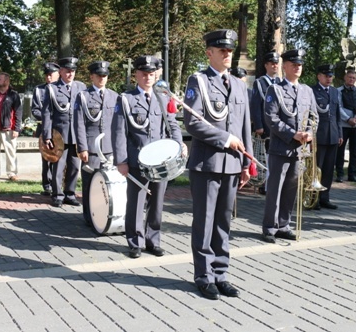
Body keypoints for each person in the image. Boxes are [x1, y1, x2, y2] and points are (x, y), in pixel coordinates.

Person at [183, 29, 253, 300]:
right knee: (205, 221)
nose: (227, 54)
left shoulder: (238, 84)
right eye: (221, 50)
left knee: (224, 221)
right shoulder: (197, 81)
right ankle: (204, 276)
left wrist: (247, 164)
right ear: (209, 53)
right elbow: (193, 121)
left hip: (233, 165)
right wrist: (225, 139)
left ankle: (221, 273)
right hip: (207, 164)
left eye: (230, 50)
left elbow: (245, 125)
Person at [112, 55, 183, 259]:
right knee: (136, 202)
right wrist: (122, 161)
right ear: (136, 75)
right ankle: (135, 242)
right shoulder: (125, 99)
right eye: (144, 74)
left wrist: (179, 145)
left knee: (157, 202)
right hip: (137, 161)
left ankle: (154, 240)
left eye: (151, 74)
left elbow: (172, 124)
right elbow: (119, 132)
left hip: (161, 161)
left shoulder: (162, 97)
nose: (148, 77)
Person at [261, 48, 317, 243]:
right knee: (275, 188)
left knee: (291, 189)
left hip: (300, 150)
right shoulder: (275, 90)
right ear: (284, 66)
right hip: (280, 148)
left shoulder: (307, 91)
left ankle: (284, 225)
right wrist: (293, 134)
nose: (298, 67)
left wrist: (310, 133)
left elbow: (314, 117)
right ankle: (270, 226)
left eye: (300, 65)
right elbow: (271, 118)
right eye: (294, 64)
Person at [74, 61, 119, 226]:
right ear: (92, 76)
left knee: (107, 185)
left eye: (104, 75)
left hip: (109, 148)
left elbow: (118, 125)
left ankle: (103, 215)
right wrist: (82, 147)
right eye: (99, 75)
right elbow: (78, 124)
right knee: (89, 184)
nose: (102, 78)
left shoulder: (115, 96)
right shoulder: (83, 97)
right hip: (91, 148)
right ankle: (88, 216)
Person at [42, 57, 86, 207]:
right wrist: (47, 135)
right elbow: (47, 113)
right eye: (67, 71)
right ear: (60, 72)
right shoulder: (52, 88)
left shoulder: (81, 87)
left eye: (72, 71)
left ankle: (70, 193)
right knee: (58, 166)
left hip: (76, 134)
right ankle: (57, 194)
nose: (70, 74)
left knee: (74, 166)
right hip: (59, 134)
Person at [310, 63, 342, 210]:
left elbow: (337, 114)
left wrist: (339, 133)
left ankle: (325, 197)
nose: (329, 78)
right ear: (319, 76)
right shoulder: (312, 91)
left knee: (329, 169)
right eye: (326, 76)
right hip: (319, 135)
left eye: (331, 76)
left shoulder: (335, 92)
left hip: (333, 135)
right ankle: (313, 198)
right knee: (317, 168)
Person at [250, 51, 280, 195]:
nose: (275, 66)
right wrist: (259, 125)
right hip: (266, 127)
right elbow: (255, 105)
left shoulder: (280, 83)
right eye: (272, 63)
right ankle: (265, 184)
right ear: (266, 65)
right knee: (266, 156)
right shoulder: (260, 82)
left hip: (279, 127)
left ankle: (274, 184)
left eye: (276, 63)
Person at [0, 72, 23, 182]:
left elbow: (18, 112)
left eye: (0, 79)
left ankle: (12, 173)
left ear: (6, 81)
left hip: (8, 129)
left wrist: (16, 128)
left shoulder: (13, 95)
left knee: (11, 152)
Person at [31, 62, 60, 195]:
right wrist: (47, 116)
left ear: (58, 74)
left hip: (60, 130)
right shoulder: (39, 90)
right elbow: (35, 109)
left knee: (60, 159)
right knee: (46, 158)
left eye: (51, 75)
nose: (48, 78)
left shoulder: (62, 89)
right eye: (46, 75)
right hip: (45, 128)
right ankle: (47, 185)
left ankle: (58, 185)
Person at [336, 69, 356, 183]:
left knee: (354, 151)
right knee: (340, 151)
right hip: (344, 125)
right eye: (349, 77)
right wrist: (348, 119)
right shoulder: (338, 91)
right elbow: (338, 107)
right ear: (345, 77)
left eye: (353, 78)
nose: (351, 80)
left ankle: (352, 174)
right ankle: (340, 174)